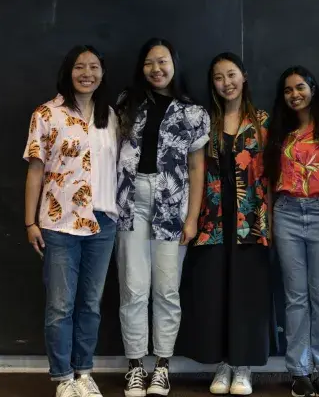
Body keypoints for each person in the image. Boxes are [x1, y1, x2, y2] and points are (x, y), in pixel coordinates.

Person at [115, 37, 210, 397]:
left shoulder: (193, 112)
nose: (157, 69)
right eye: (150, 63)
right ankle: (136, 366)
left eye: (163, 62)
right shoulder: (127, 103)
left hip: (173, 204)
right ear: (142, 68)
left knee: (167, 289)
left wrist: (193, 218)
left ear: (174, 64)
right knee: (133, 288)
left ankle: (162, 367)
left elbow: (197, 167)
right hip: (130, 203)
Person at [23, 44, 118, 397]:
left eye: (94, 66)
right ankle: (63, 377)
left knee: (91, 305)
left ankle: (84, 372)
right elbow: (35, 171)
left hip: (103, 223)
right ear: (69, 71)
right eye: (80, 66)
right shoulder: (47, 114)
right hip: (59, 223)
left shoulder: (111, 116)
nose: (87, 73)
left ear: (102, 73)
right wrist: (30, 222)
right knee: (60, 306)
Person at [178, 52, 271, 396]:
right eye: (218, 77)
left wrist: (271, 220)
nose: (226, 83)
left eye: (231, 75)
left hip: (252, 221)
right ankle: (221, 364)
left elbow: (272, 176)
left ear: (244, 77)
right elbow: (196, 172)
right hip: (213, 219)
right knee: (214, 291)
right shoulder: (207, 122)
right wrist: (191, 219)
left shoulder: (263, 120)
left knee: (247, 293)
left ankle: (243, 367)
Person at [263, 66, 319, 397]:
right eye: (287, 90)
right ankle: (298, 371)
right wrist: (268, 219)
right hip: (287, 213)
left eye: (300, 87)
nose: (295, 95)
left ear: (312, 88)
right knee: (295, 298)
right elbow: (268, 178)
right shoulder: (278, 132)